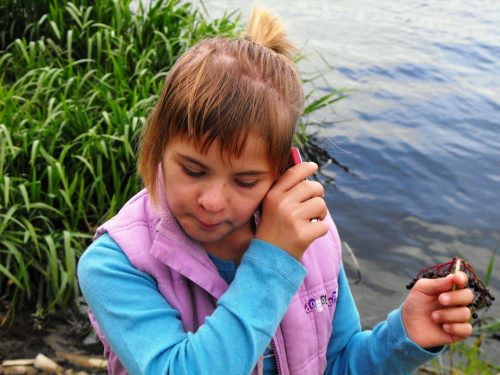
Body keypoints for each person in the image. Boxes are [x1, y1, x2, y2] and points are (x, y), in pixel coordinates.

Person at [77, 5, 474, 375]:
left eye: (246, 181)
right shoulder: (116, 264)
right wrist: (273, 261)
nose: (212, 201)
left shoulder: (310, 233)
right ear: (158, 145)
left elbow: (336, 361)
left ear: (282, 171)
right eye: (193, 169)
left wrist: (403, 337)